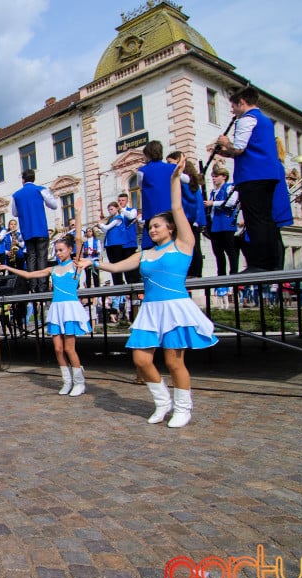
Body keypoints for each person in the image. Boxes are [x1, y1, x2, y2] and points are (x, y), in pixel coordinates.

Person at [95, 157, 218, 428]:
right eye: (150, 226)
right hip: (150, 309)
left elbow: (176, 207)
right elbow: (114, 265)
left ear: (170, 228)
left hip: (174, 308)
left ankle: (183, 408)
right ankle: (163, 403)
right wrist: (91, 262)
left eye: (157, 226)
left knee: (175, 363)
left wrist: (174, 180)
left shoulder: (183, 244)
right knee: (140, 358)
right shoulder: (145, 253)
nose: (152, 229)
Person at [1, 229, 90, 397]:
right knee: (57, 349)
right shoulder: (53, 269)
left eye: (61, 250)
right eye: (56, 250)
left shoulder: (76, 265)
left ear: (70, 250)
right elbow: (28, 275)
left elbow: (79, 239)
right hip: (56, 309)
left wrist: (78, 214)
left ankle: (79, 382)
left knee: (70, 349)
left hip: (70, 309)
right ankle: (67, 381)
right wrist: (7, 267)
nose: (57, 253)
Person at [215, 86, 286, 272]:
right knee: (265, 219)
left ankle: (260, 263)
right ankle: (272, 262)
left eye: (234, 106)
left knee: (255, 220)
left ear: (242, 103)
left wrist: (225, 143)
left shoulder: (247, 119)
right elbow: (250, 149)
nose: (232, 110)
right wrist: (227, 153)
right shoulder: (264, 120)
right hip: (267, 174)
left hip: (252, 176)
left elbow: (238, 148)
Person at [10, 169, 59, 292]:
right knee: (42, 256)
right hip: (40, 228)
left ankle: (33, 285)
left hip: (27, 230)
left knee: (31, 256)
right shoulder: (40, 189)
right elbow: (53, 205)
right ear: (34, 178)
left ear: (23, 180)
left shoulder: (16, 195)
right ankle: (42, 285)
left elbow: (14, 213)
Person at [137, 141, 177, 251]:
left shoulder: (142, 171)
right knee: (172, 242)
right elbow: (186, 179)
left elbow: (140, 185)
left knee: (152, 246)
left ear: (148, 154)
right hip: (169, 212)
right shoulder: (172, 168)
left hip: (151, 212)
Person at [205, 166, 240, 275]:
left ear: (224, 177)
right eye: (213, 177)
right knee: (218, 252)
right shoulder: (213, 192)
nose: (214, 179)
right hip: (215, 225)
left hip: (226, 223)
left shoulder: (230, 187)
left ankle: (234, 273)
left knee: (230, 250)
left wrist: (213, 203)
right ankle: (221, 275)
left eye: (216, 176)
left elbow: (231, 202)